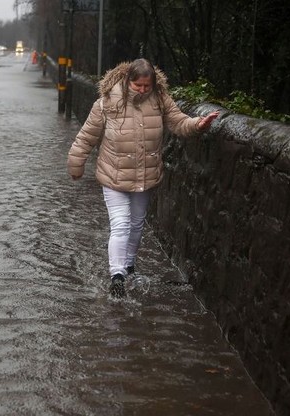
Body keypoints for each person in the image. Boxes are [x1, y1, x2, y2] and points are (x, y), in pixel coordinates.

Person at [67, 59, 219, 298]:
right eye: (138, 85)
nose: (142, 90)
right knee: (121, 223)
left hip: (145, 177)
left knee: (137, 225)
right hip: (113, 175)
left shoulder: (159, 99)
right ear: (128, 80)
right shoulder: (107, 102)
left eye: (147, 86)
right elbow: (86, 137)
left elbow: (179, 121)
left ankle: (128, 266)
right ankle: (116, 277)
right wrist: (76, 166)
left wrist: (198, 124)